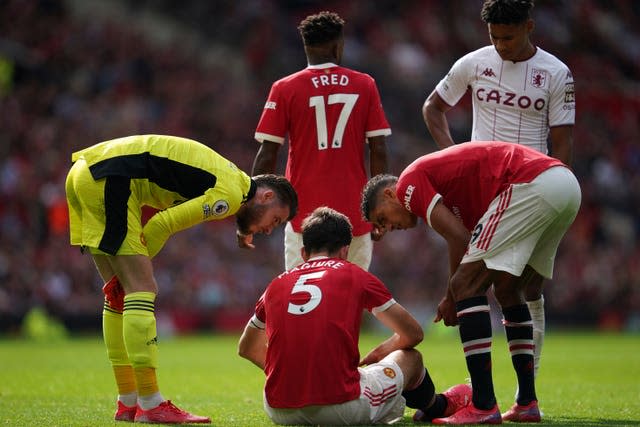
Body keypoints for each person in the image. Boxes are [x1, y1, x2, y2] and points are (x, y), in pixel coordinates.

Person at [65, 134, 298, 424]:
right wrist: (137, 270)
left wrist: (244, 225)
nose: (267, 230)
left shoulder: (231, 180)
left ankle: (128, 400)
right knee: (141, 287)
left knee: (118, 294)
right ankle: (150, 403)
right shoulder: (229, 193)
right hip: (111, 178)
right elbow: (162, 223)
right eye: (274, 220)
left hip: (85, 172)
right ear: (266, 196)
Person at [422, 0, 576, 416]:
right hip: (484, 186)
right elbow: (432, 107)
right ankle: (521, 400)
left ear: (529, 26)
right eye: (494, 37)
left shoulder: (556, 73)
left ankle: (497, 400)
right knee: (503, 287)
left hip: (529, 186)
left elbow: (562, 146)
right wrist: (453, 155)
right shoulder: (473, 63)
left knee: (516, 288)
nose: (501, 45)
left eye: (508, 37)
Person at [361, 141, 581, 424]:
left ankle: (483, 405)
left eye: (383, 218)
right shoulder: (454, 197)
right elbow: (462, 240)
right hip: (564, 184)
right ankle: (527, 403)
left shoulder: (407, 185)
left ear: (391, 194)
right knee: (507, 288)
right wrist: (452, 293)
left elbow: (460, 240)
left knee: (466, 285)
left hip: (530, 184)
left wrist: (454, 295)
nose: (390, 228)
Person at [238, 207, 472, 425]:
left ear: (303, 252)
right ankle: (438, 406)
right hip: (341, 406)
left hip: (279, 409)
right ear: (345, 250)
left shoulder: (275, 284)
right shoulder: (354, 274)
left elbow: (247, 348)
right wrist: (381, 352)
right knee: (410, 358)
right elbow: (413, 333)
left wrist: (292, 376)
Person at [250, 11, 390, 271]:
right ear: (338, 47)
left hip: (303, 216)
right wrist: (379, 207)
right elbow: (378, 149)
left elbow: (267, 154)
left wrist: (252, 212)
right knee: (350, 301)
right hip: (355, 215)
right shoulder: (364, 84)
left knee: (303, 299)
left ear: (306, 48)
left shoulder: (285, 87)